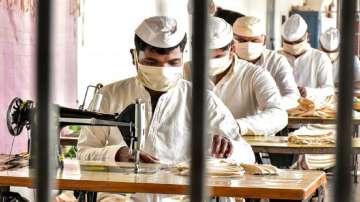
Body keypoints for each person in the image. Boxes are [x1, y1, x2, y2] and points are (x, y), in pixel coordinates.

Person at [77, 16, 255, 201]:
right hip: (121, 195)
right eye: (152, 63)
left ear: (183, 58)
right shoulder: (109, 95)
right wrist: (116, 154)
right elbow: (83, 153)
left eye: (173, 63)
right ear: (134, 56)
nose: (163, 70)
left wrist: (230, 148)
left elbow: (248, 155)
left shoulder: (202, 99)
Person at [184, 17, 288, 136]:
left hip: (240, 148)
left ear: (232, 48)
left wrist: (237, 127)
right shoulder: (183, 72)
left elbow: (278, 114)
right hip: (189, 148)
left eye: (217, 57)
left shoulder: (253, 74)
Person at [233, 16, 300, 109]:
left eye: (254, 40)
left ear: (264, 39)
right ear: (232, 40)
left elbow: (293, 96)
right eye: (242, 41)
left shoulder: (276, 61)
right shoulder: (225, 61)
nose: (248, 45)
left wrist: (270, 107)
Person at [278, 14, 334, 101]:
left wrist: (309, 92)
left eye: (297, 42)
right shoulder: (276, 57)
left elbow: (329, 90)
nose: (293, 46)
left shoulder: (320, 58)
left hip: (309, 110)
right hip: (280, 108)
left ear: (308, 36)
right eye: (288, 43)